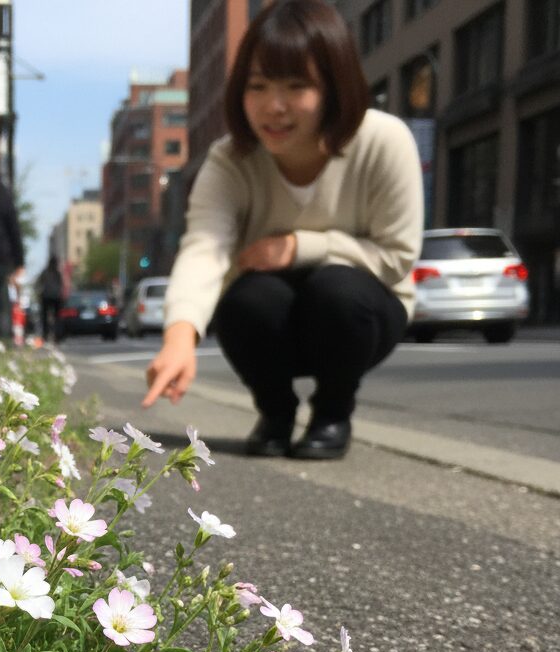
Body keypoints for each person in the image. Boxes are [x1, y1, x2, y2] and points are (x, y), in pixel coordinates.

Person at [144, 0, 423, 459]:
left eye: (297, 86)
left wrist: (299, 247)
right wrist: (180, 335)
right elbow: (205, 246)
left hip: (362, 315)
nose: (274, 107)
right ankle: (275, 413)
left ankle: (333, 413)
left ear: (334, 88)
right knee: (245, 301)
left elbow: (397, 256)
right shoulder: (230, 159)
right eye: (257, 86)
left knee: (336, 288)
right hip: (276, 319)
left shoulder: (384, 142)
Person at [0, 172, 25, 341]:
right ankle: (3, 341)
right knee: (1, 304)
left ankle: (2, 340)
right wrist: (19, 262)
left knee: (0, 302)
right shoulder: (2, 192)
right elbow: (14, 228)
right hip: (1, 256)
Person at [38, 256, 64, 342]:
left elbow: (40, 283)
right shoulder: (57, 273)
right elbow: (61, 285)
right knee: (57, 318)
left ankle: (47, 335)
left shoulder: (46, 272)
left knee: (47, 317)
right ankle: (56, 335)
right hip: (54, 297)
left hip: (47, 296)